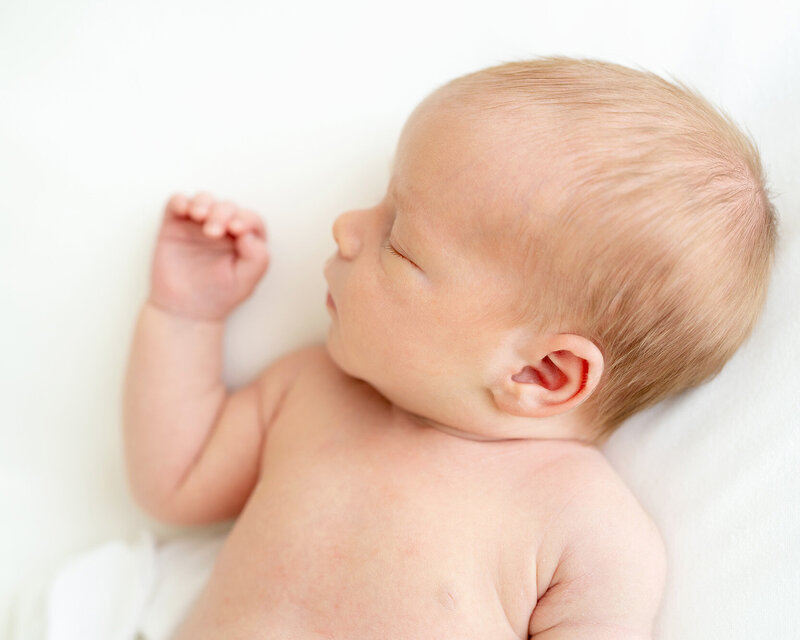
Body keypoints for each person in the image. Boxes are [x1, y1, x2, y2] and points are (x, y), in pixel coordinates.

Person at [122, 56, 777, 639]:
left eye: (399, 243)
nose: (346, 228)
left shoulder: (587, 531)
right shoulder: (311, 390)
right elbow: (176, 483)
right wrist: (185, 317)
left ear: (543, 372)